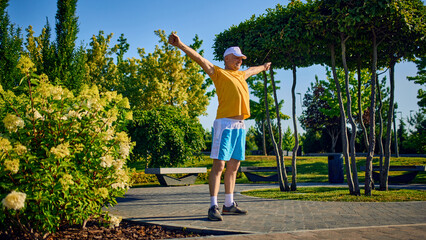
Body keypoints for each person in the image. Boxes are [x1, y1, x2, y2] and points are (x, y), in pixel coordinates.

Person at [168, 33, 271, 221]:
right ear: (227, 59)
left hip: (240, 126)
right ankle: (213, 206)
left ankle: (229, 204)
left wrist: (264, 67)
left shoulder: (241, 74)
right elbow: (199, 59)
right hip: (224, 124)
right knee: (219, 165)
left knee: (234, 166)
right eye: (237, 58)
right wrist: (181, 44)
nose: (240, 61)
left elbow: (253, 69)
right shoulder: (218, 73)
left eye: (241, 59)